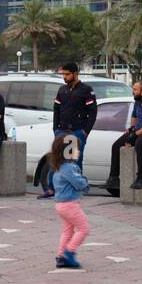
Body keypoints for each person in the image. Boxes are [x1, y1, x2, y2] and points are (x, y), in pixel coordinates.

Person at [40, 62, 96, 198]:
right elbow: (56, 109)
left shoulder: (86, 90)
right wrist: (56, 129)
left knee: (75, 161)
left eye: (67, 74)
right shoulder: (62, 90)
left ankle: (77, 189)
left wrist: (85, 131)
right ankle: (52, 189)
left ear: (75, 73)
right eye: (63, 74)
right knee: (56, 160)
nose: (64, 77)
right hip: (61, 131)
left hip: (77, 131)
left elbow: (93, 112)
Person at [106, 79, 142, 195]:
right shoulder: (138, 102)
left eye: (135, 89)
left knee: (140, 144)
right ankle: (114, 178)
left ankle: (141, 179)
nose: (133, 91)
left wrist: (134, 135)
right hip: (139, 131)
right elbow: (134, 117)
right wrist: (131, 129)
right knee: (116, 145)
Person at [49, 134, 91, 269]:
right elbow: (79, 183)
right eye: (77, 149)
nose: (79, 151)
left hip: (60, 205)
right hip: (70, 205)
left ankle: (61, 256)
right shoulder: (69, 167)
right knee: (84, 229)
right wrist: (85, 183)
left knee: (67, 231)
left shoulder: (59, 166)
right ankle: (69, 252)